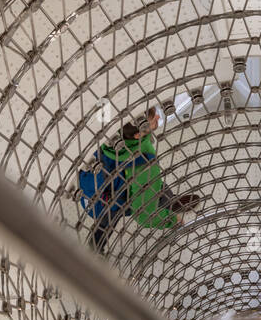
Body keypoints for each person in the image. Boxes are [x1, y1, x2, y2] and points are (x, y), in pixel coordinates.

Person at [78, 107, 198, 252]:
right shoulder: (144, 163)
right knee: (154, 189)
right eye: (154, 119)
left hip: (90, 191)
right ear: (137, 135)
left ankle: (171, 203)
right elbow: (144, 216)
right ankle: (170, 210)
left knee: (156, 187)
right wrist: (172, 221)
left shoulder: (105, 128)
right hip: (107, 203)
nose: (159, 118)